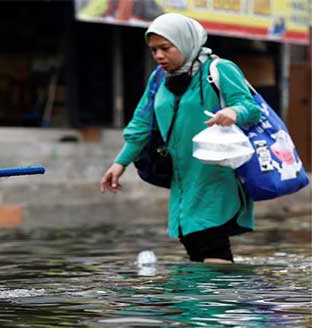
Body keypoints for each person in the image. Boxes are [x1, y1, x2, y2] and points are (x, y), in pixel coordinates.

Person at [99, 13, 261, 264]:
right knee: (194, 246)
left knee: (211, 244)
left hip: (216, 175)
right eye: (153, 50)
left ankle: (219, 301)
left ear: (185, 42)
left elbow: (250, 108)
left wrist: (232, 112)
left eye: (165, 48)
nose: (159, 56)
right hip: (182, 179)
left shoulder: (218, 70)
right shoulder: (158, 79)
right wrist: (120, 163)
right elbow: (141, 124)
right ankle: (204, 301)